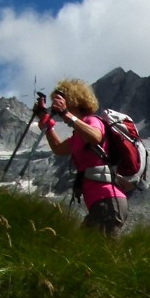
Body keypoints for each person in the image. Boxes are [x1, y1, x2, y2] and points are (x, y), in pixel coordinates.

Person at [35, 79, 127, 237]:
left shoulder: (92, 121)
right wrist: (45, 120)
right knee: (87, 249)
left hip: (107, 200)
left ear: (74, 99)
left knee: (96, 251)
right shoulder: (78, 135)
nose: (56, 103)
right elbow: (58, 148)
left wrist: (66, 115)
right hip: (102, 203)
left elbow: (96, 137)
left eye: (62, 97)